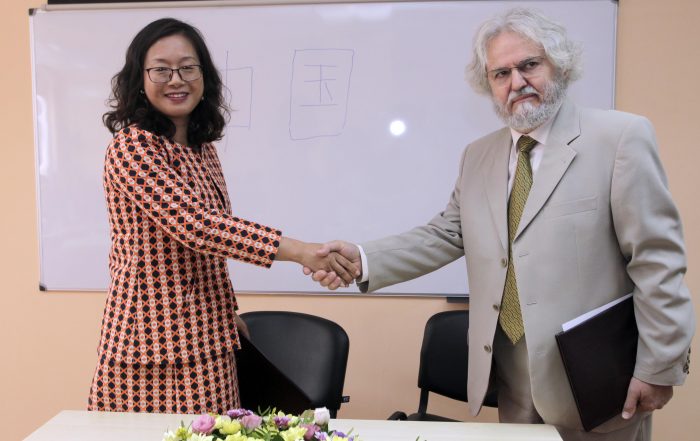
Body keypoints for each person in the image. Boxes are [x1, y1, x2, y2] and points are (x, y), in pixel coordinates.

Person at [306, 8, 694, 441]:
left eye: (530, 65)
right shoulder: (479, 155)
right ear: (488, 84)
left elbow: (656, 261)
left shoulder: (620, 138)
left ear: (560, 65)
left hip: (600, 380)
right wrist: (361, 259)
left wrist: (658, 366)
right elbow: (448, 233)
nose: (517, 82)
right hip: (512, 380)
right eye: (501, 73)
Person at [88, 18, 356, 414]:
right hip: (148, 347)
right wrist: (301, 251)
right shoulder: (132, 147)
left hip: (210, 337)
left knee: (218, 435)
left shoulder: (202, 149)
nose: (176, 80)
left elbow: (208, 248)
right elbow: (198, 226)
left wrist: (226, 313)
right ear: (139, 79)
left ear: (204, 76)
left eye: (188, 68)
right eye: (161, 69)